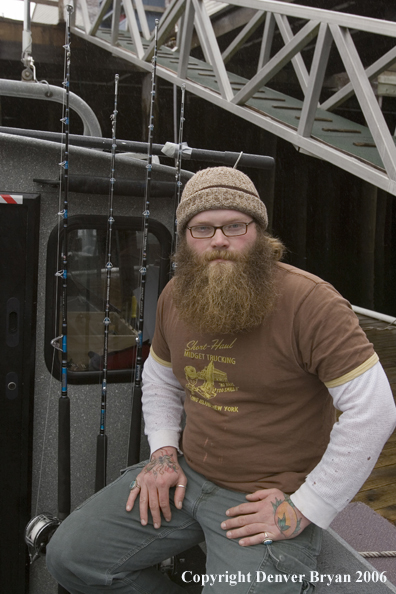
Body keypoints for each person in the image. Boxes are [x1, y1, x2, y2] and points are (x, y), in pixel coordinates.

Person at [47, 167, 396, 593]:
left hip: (262, 501)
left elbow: (373, 410)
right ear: (186, 238)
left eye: (235, 225)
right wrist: (163, 454)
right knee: (72, 558)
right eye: (202, 228)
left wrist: (307, 506)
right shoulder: (176, 295)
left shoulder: (312, 304)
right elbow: (159, 379)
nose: (218, 240)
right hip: (187, 475)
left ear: (261, 234)